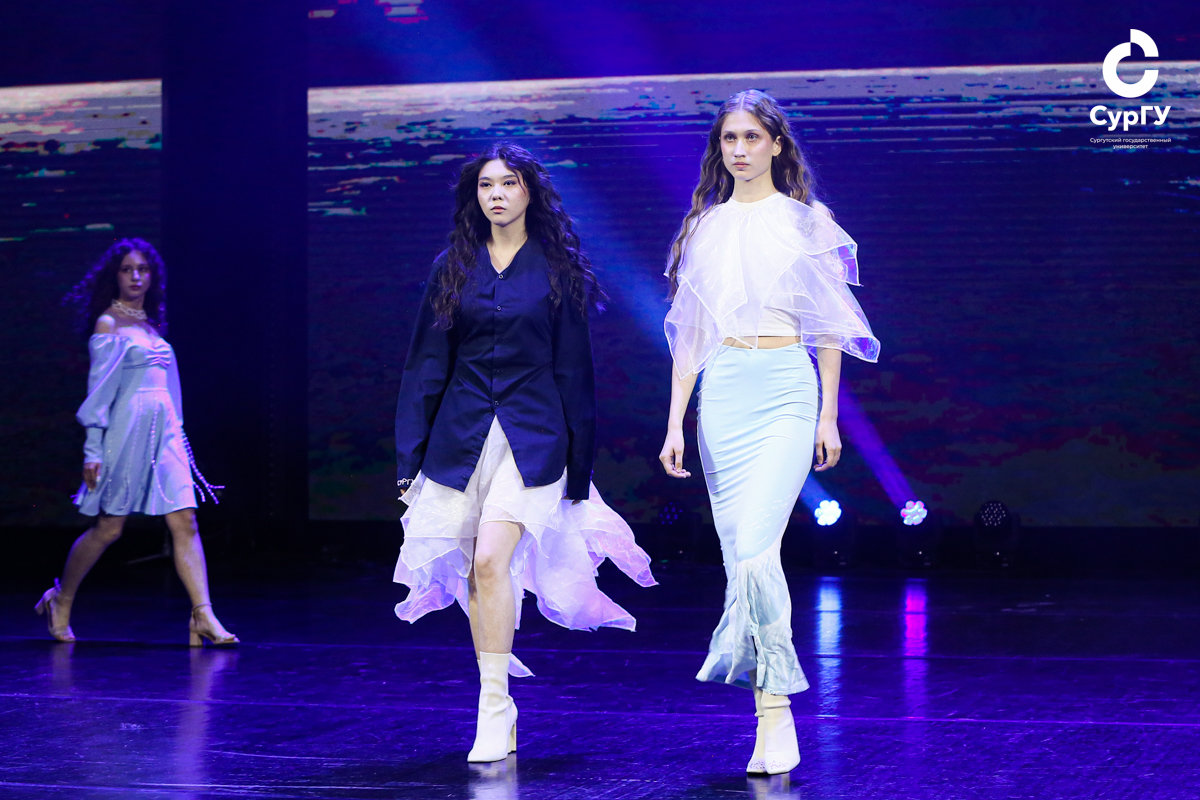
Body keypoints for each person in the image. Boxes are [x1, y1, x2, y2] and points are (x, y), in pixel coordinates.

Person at [393, 143, 656, 763]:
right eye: (487, 184)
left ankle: (493, 710)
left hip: (534, 437)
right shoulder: (453, 266)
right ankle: (497, 703)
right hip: (462, 438)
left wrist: (580, 467)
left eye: (509, 183)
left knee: (490, 559)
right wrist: (409, 456)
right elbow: (425, 364)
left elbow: (575, 372)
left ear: (529, 192)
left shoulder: (557, 269)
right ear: (475, 195)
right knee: (477, 572)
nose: (497, 194)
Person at [657, 90, 880, 775]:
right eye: (730, 138)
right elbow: (691, 335)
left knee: (756, 550)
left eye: (753, 137)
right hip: (724, 391)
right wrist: (675, 419)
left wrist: (827, 415)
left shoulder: (807, 222)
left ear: (777, 145)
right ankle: (765, 713)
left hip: (786, 386)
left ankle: (777, 714)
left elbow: (830, 328)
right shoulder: (704, 227)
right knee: (742, 559)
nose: (740, 149)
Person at [35, 239, 236, 647]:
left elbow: (168, 389)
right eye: (127, 269)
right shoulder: (109, 325)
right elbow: (99, 394)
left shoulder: (151, 326)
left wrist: (178, 434)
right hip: (126, 434)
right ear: (116, 275)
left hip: (166, 435)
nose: (136, 276)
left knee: (185, 520)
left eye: (143, 269)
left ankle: (202, 614)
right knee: (109, 528)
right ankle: (62, 598)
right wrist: (93, 450)